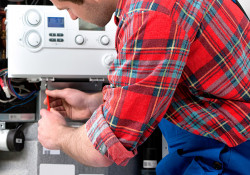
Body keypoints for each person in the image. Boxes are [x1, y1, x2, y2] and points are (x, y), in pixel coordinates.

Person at [38, 0, 250, 174]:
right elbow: (156, 84)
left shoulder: (151, 15)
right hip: (207, 129)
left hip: (231, 149)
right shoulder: (141, 8)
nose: (72, 17)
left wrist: (57, 135)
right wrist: (93, 103)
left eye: (67, 8)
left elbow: (101, 151)